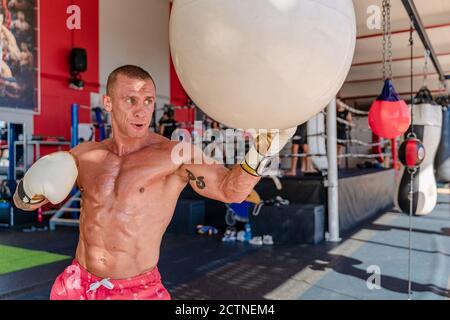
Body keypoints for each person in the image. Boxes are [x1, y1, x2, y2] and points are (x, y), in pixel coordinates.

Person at [13, 65, 295, 300]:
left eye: (148, 101)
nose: (142, 111)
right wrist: (28, 190)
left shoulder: (176, 154)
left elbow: (230, 191)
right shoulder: (84, 156)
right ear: (108, 102)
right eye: (131, 100)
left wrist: (262, 153)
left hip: (136, 290)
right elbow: (23, 205)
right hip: (77, 285)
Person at [336, 99, 352, 169]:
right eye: (337, 102)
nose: (338, 103)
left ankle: (338, 163)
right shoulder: (334, 112)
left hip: (342, 131)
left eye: (339, 102)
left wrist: (350, 126)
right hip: (335, 131)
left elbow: (350, 122)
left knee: (340, 149)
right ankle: (334, 163)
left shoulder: (346, 112)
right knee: (335, 148)